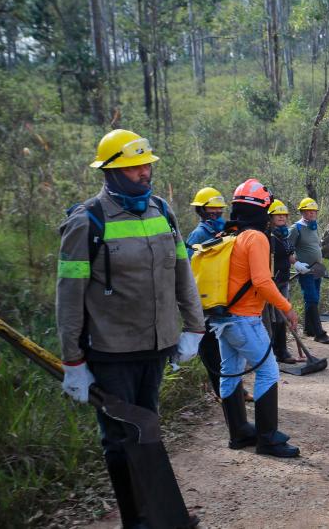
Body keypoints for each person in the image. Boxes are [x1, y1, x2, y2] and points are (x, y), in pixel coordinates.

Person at [57, 129, 206, 527]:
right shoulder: (86, 221)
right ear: (112, 173)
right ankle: (137, 519)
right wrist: (72, 359)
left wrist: (195, 327)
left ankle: (158, 512)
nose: (144, 172)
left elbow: (182, 272)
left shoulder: (162, 211)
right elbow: (68, 296)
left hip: (156, 346)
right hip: (111, 352)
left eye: (146, 165)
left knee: (148, 428)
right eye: (134, 167)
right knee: (120, 440)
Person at [209, 179, 301, 458]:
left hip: (223, 319)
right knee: (268, 371)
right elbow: (262, 281)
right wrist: (287, 307)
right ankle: (268, 438)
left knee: (230, 371)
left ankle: (239, 432)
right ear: (262, 209)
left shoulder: (230, 234)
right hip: (245, 319)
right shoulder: (256, 238)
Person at [186, 187, 229, 397]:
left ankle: (233, 389)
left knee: (226, 349)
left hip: (222, 297)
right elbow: (187, 265)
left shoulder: (224, 232)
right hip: (203, 301)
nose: (216, 213)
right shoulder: (199, 234)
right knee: (211, 349)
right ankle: (221, 393)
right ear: (201, 211)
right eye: (211, 209)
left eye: (218, 209)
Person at [289, 198, 329, 344]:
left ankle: (309, 329)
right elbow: (286, 249)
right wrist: (296, 264)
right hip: (306, 270)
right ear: (302, 212)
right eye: (309, 211)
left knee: (314, 298)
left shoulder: (314, 226)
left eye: (314, 211)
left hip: (317, 268)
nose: (312, 213)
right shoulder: (296, 228)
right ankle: (319, 333)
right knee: (312, 298)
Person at [265, 199, 298, 363]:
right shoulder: (268, 236)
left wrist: (296, 261)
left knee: (281, 316)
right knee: (272, 317)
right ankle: (273, 352)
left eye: (283, 215)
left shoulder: (285, 234)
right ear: (270, 217)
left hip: (284, 280)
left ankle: (282, 351)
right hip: (273, 282)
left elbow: (291, 255)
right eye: (277, 215)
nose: (281, 217)